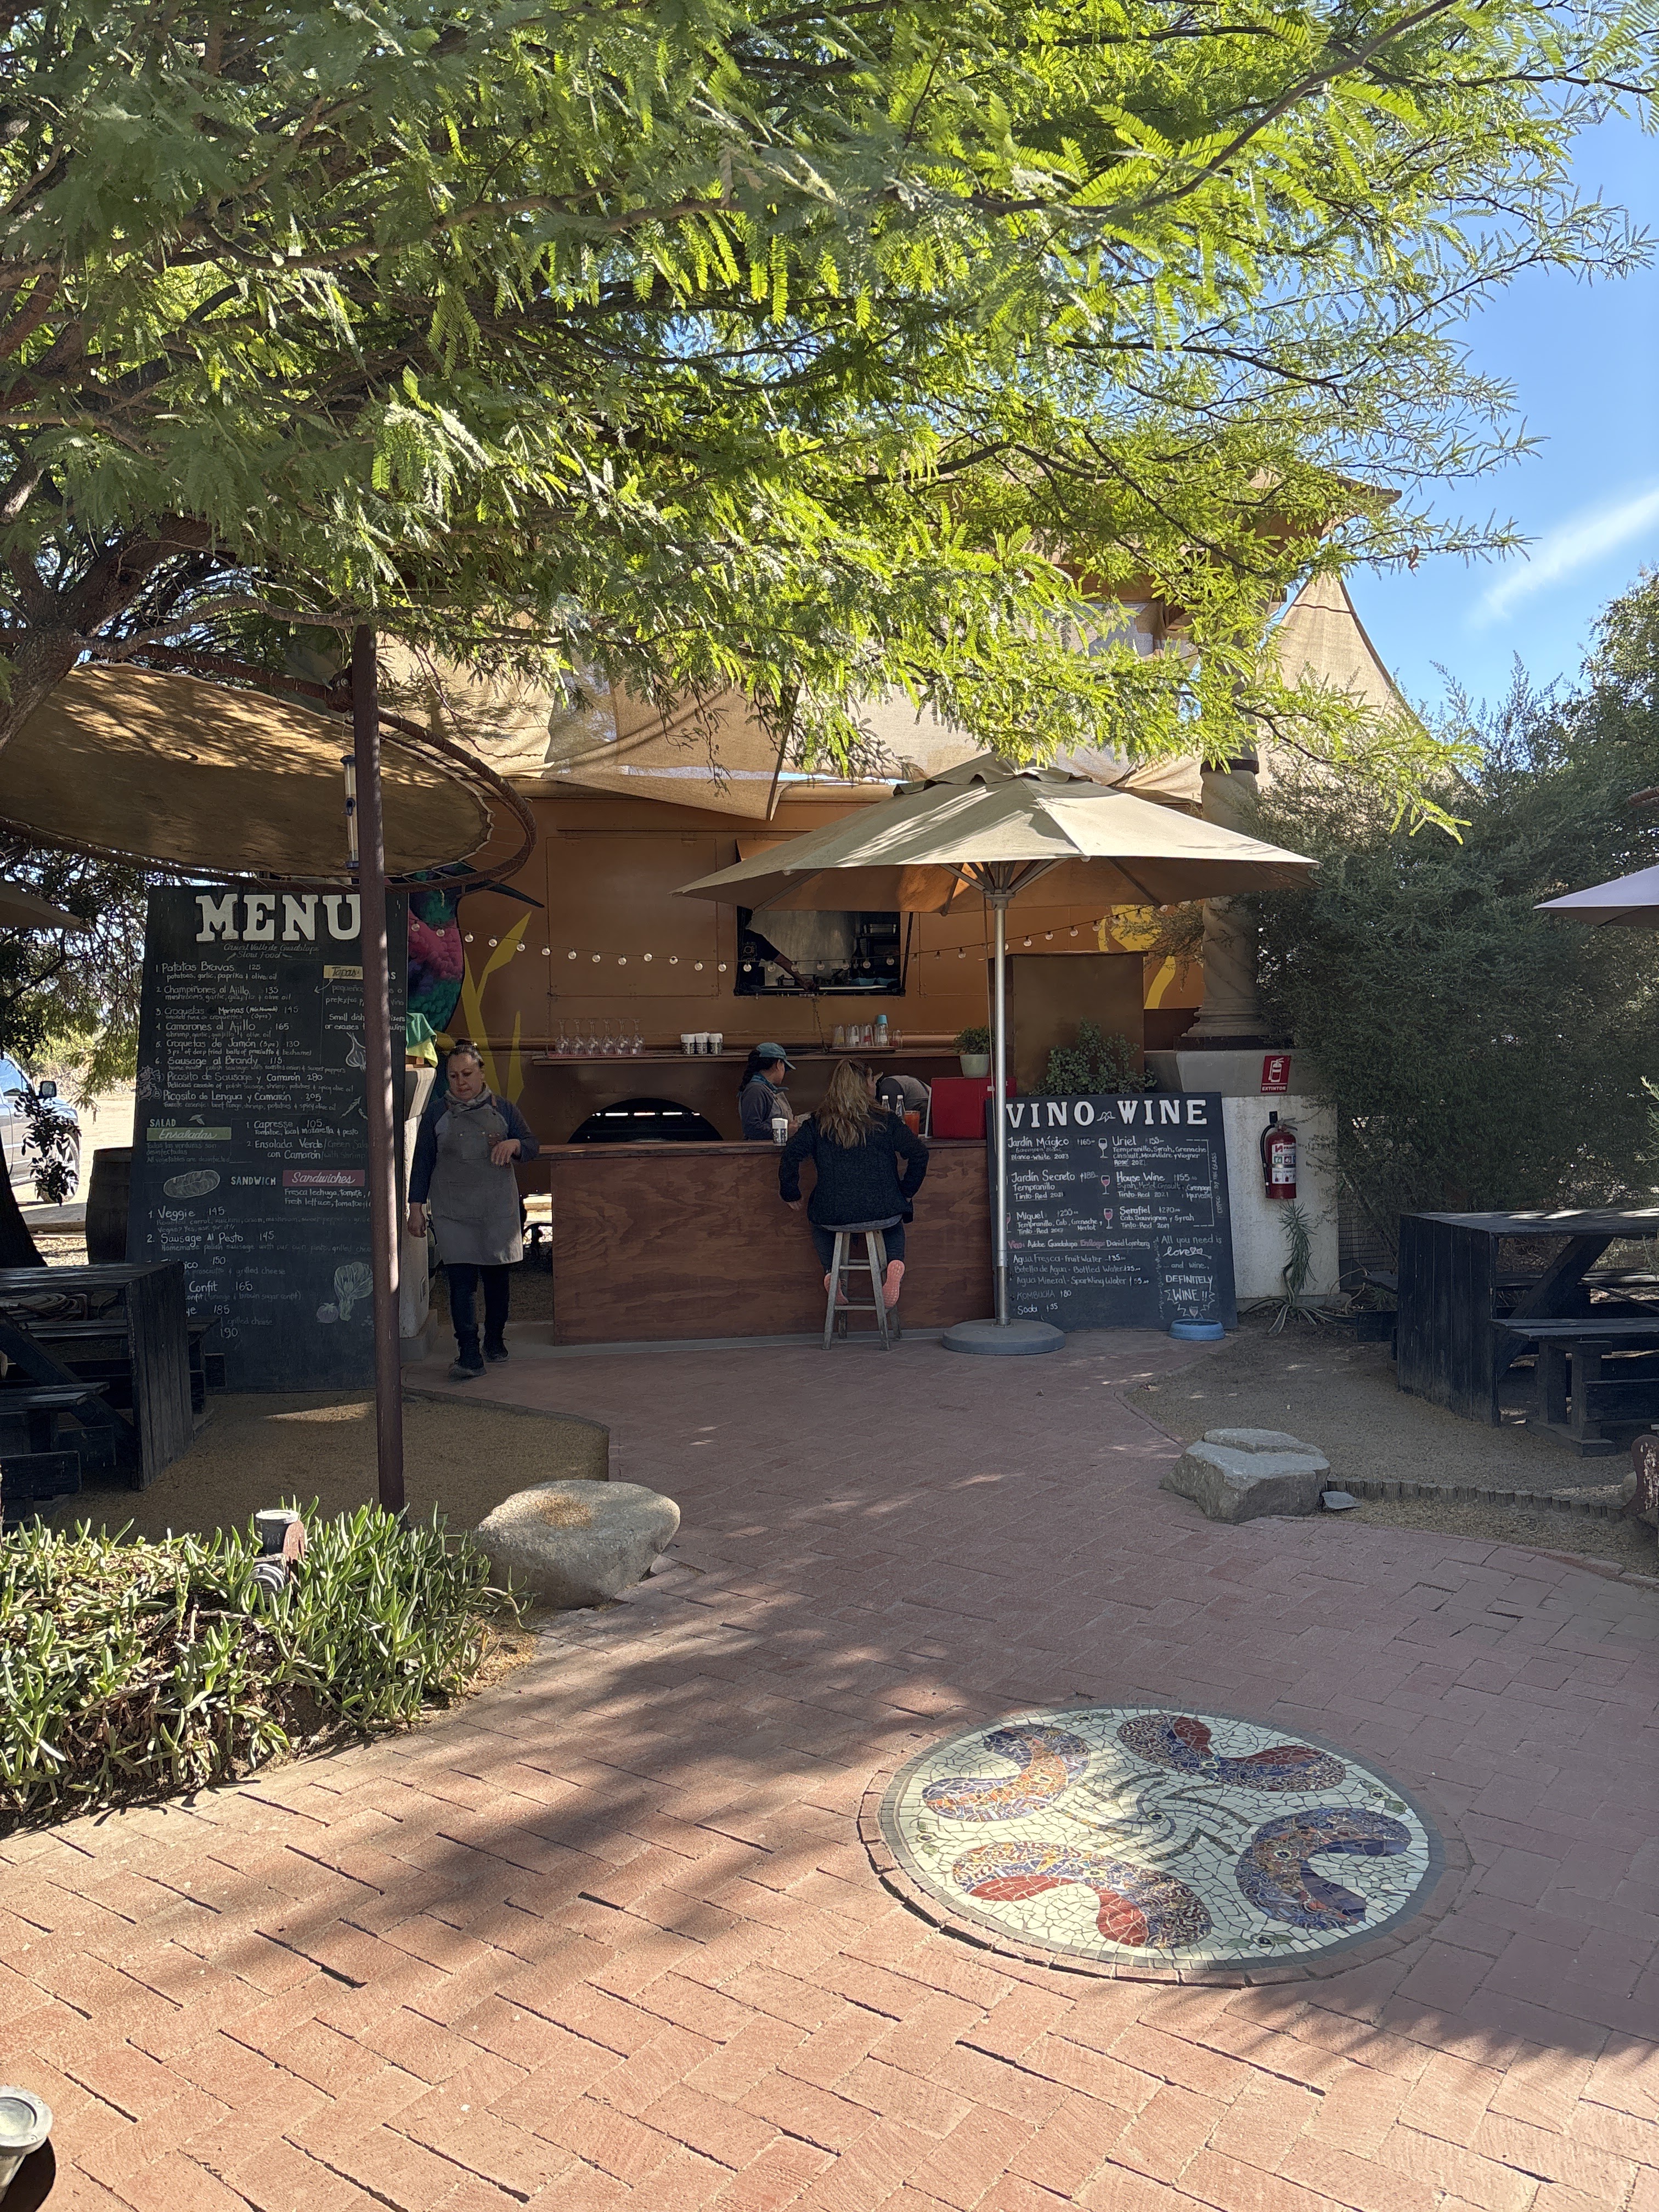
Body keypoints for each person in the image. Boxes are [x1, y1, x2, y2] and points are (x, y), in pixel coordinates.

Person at [407, 1042, 540, 1380]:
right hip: (454, 1213)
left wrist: (515, 1145)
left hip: (497, 1210)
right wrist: (416, 1209)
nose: (461, 1082)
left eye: (467, 1074)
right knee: (461, 1283)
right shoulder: (436, 1114)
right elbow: (422, 1162)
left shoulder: (505, 1110)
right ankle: (469, 1354)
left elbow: (532, 1145)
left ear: (481, 1073)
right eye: (453, 1076)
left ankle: (495, 1342)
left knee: (497, 1280)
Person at [780, 1059, 928, 1308]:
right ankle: (895, 1264)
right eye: (872, 1081)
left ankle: (832, 1274)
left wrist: (790, 1191)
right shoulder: (887, 1120)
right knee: (894, 1221)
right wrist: (906, 1191)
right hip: (883, 1209)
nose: (875, 1086)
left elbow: (791, 1154)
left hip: (833, 1212)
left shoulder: (817, 1123)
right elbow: (919, 1154)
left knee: (818, 1224)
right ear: (863, 1086)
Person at [738, 1043, 796, 1141]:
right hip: (761, 1152)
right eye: (784, 1067)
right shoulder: (756, 1090)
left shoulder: (763, 1090)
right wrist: (785, 1132)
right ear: (779, 1064)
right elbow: (752, 1128)